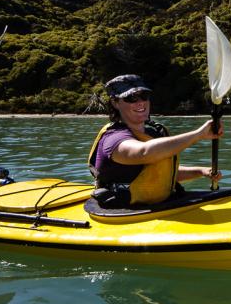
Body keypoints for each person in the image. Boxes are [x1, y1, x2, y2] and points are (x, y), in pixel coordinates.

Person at [88, 74, 222, 207]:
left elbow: (159, 175)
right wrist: (199, 134)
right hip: (126, 211)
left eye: (144, 96)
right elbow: (145, 153)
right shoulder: (113, 138)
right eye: (131, 98)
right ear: (115, 102)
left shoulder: (153, 133)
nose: (140, 102)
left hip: (163, 204)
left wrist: (200, 172)